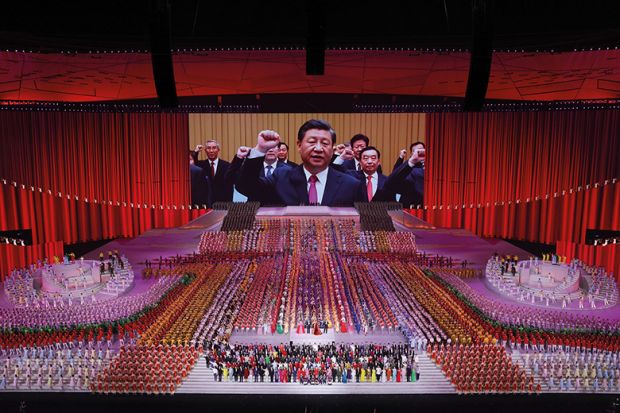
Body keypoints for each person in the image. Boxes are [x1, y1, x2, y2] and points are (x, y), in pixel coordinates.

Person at [235, 119, 366, 206]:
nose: (318, 148)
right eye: (312, 142)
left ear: (332, 149)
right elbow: (246, 187)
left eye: (325, 143)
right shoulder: (282, 177)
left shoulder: (351, 185)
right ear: (299, 145)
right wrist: (260, 149)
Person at [390, 142, 425, 208]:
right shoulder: (409, 165)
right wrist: (401, 158)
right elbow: (395, 175)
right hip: (409, 202)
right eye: (416, 151)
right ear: (412, 154)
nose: (419, 153)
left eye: (421, 150)